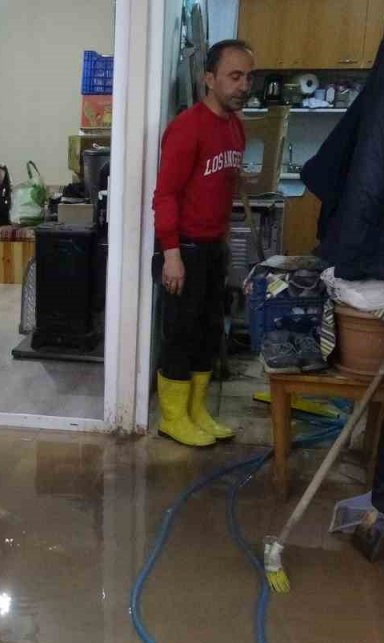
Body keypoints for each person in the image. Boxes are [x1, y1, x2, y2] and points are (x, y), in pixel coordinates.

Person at [150, 39, 254, 448]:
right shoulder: (186, 128)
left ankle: (196, 411)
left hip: (213, 247)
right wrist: (171, 254)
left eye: (248, 76)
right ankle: (172, 418)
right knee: (180, 334)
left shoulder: (235, 125)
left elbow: (218, 186)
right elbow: (165, 195)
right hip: (184, 249)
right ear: (208, 78)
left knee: (209, 333)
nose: (244, 85)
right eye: (234, 76)